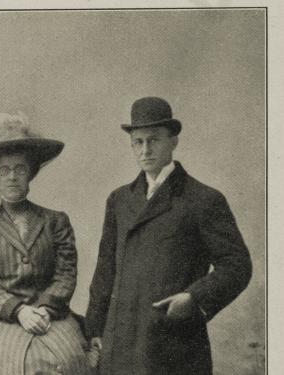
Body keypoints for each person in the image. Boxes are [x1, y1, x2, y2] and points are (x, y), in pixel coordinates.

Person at [85, 97, 252, 375]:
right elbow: (105, 270)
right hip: (119, 343)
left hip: (173, 345)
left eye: (154, 140)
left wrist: (194, 298)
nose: (145, 150)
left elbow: (237, 265)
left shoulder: (203, 199)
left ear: (174, 141)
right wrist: (94, 330)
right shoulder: (119, 200)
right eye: (138, 142)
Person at [0, 112, 91, 375]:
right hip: (4, 319)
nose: (12, 177)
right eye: (4, 170)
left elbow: (66, 273)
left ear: (30, 174)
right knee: (11, 366)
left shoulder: (56, 222)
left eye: (20, 169)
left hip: (52, 316)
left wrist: (44, 309)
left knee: (71, 361)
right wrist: (19, 311)